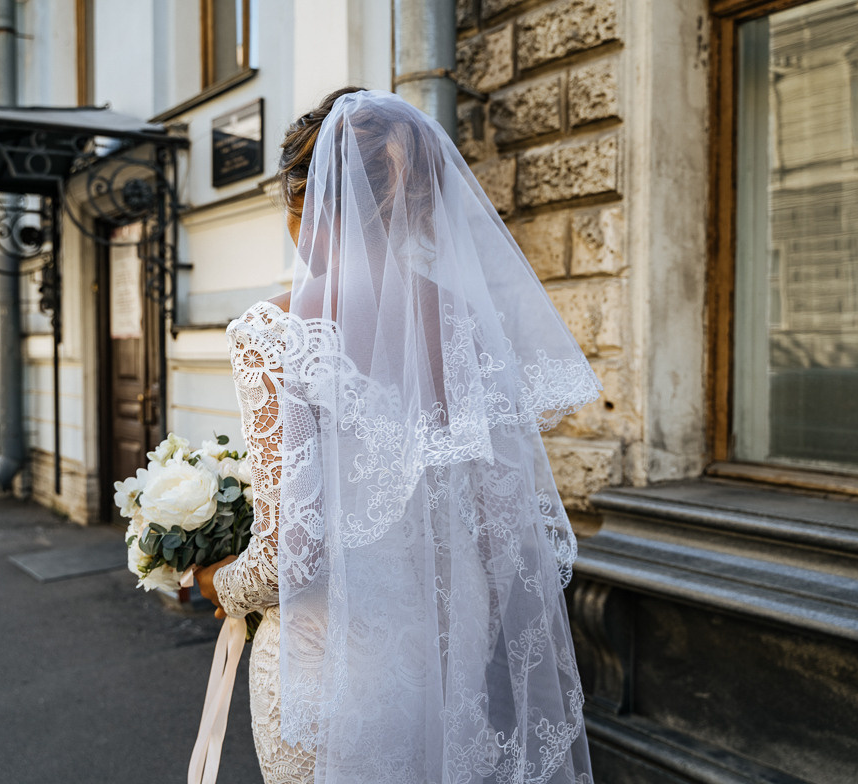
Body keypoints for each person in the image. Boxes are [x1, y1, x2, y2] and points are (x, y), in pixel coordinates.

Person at [196, 88, 600, 784]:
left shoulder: (273, 331)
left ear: (307, 200)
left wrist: (215, 581)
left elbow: (295, 555)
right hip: (444, 663)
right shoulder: (466, 323)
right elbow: (497, 529)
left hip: (328, 665)